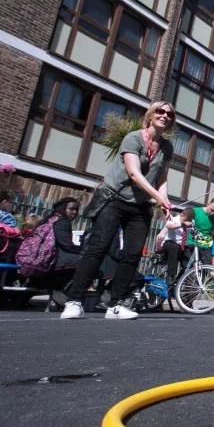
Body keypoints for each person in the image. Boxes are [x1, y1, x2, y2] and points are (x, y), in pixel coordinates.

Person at [61, 101, 175, 320]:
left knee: (133, 254)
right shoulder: (132, 138)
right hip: (113, 200)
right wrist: (157, 196)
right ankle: (74, 301)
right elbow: (134, 173)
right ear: (151, 115)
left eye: (169, 114)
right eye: (160, 111)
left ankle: (116, 304)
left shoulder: (166, 148)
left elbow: (161, 177)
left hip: (140, 206)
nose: (165, 116)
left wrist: (165, 202)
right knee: (98, 248)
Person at [160, 206, 195, 282]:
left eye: (189, 220)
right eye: (185, 220)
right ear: (182, 214)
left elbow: (193, 231)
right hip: (169, 243)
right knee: (174, 247)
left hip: (181, 246)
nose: (187, 221)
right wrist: (182, 224)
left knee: (189, 258)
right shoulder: (174, 219)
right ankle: (171, 276)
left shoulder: (191, 222)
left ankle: (179, 280)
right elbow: (169, 226)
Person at [50, 197, 82, 269]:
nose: (75, 212)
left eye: (77, 209)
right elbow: (67, 245)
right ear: (63, 208)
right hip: (55, 258)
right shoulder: (62, 222)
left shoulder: (53, 219)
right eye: (71, 209)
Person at [192, 199, 214, 264]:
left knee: (204, 268)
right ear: (208, 204)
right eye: (212, 210)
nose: (213, 213)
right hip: (193, 241)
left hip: (206, 243)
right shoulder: (195, 211)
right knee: (189, 267)